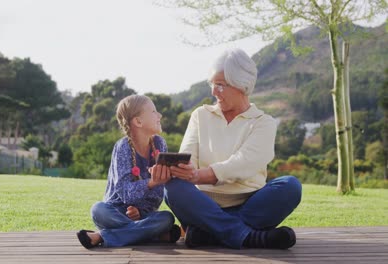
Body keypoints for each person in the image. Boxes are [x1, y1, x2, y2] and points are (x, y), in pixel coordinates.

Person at [164, 48, 302, 249]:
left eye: (220, 85)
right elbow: (188, 157)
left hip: (249, 203)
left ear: (242, 85)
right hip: (204, 204)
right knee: (173, 187)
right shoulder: (200, 115)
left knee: (290, 186)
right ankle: (250, 237)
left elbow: (243, 163)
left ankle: (209, 233)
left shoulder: (263, 123)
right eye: (212, 84)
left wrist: (197, 176)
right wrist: (183, 170)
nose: (213, 91)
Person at [77, 94, 181, 249]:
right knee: (98, 210)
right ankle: (154, 234)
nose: (159, 115)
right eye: (154, 112)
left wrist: (140, 210)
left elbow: (158, 195)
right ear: (138, 121)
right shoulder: (123, 147)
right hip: (117, 212)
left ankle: (102, 236)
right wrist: (152, 181)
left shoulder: (160, 144)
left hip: (144, 214)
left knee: (166, 218)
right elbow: (126, 193)